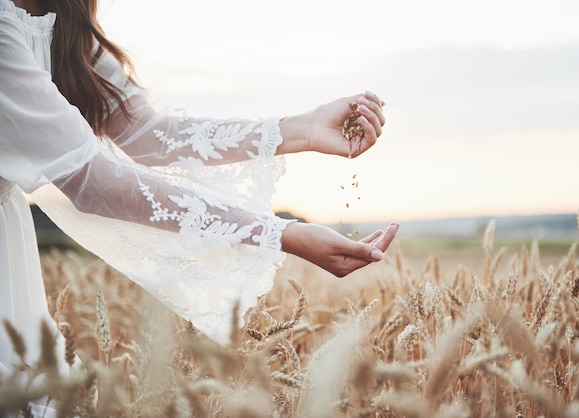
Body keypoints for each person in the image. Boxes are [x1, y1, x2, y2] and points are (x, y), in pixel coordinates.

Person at [0, 0, 398, 412]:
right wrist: (279, 233)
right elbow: (93, 182)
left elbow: (149, 134)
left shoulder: (64, 17)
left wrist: (304, 128)